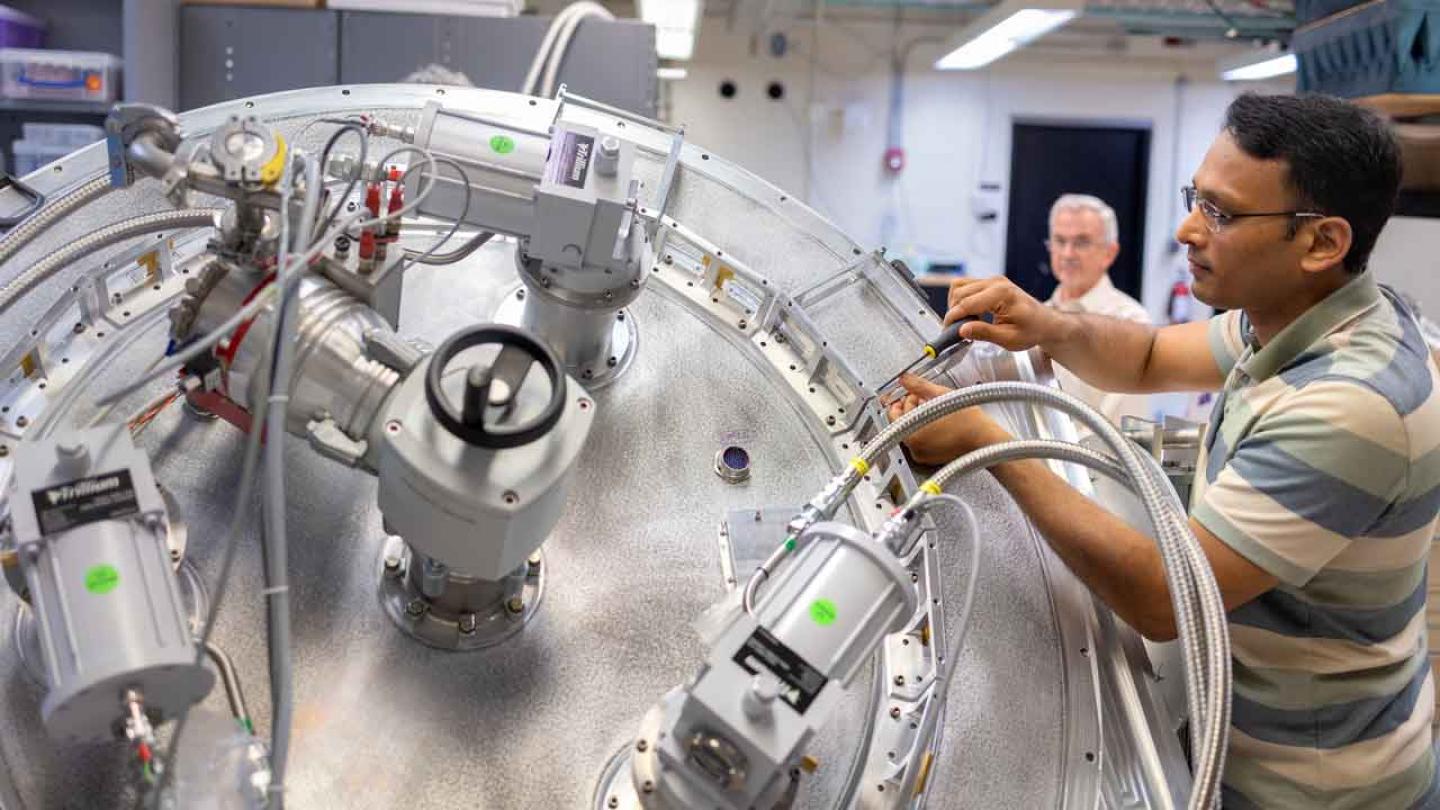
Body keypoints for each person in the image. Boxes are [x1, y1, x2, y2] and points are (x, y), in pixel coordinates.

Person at [893, 93, 1440, 808]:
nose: (1186, 229)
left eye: (1221, 213)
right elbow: (1150, 355)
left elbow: (1165, 597)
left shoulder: (1351, 405)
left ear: (1321, 243)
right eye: (1196, 198)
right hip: (1261, 735)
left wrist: (986, 441)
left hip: (1314, 786)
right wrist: (1047, 324)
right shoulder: (1296, 317)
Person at [1043, 193, 1152, 426]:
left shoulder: (1131, 322)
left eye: (1081, 242)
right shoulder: (1038, 318)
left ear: (1109, 253)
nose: (1067, 254)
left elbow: (1120, 431)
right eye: (1060, 241)